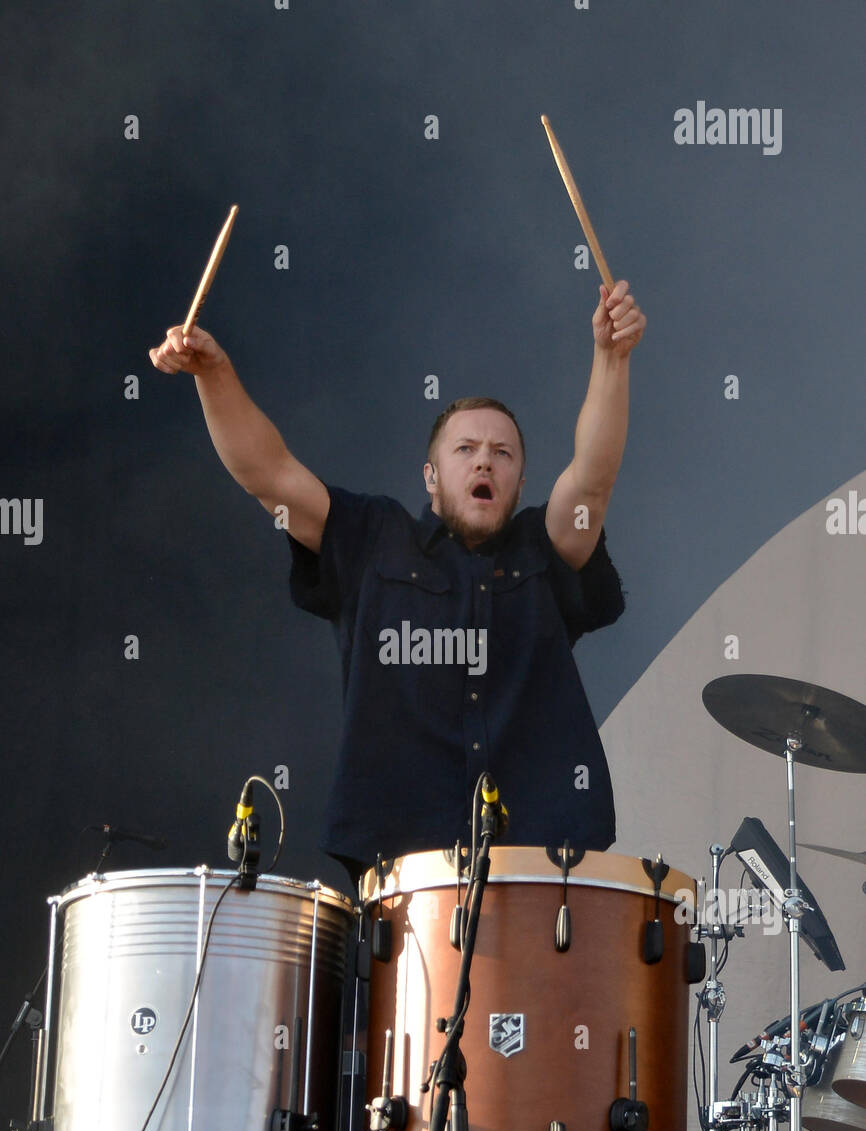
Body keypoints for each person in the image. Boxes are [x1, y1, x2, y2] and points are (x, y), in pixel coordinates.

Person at [150, 282, 645, 881]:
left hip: (543, 863)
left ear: (518, 483)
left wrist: (611, 358)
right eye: (466, 448)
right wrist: (214, 373)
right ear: (432, 477)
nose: (485, 461)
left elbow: (592, 478)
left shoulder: (546, 546)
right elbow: (270, 475)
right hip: (403, 870)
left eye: (503, 454)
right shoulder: (372, 539)